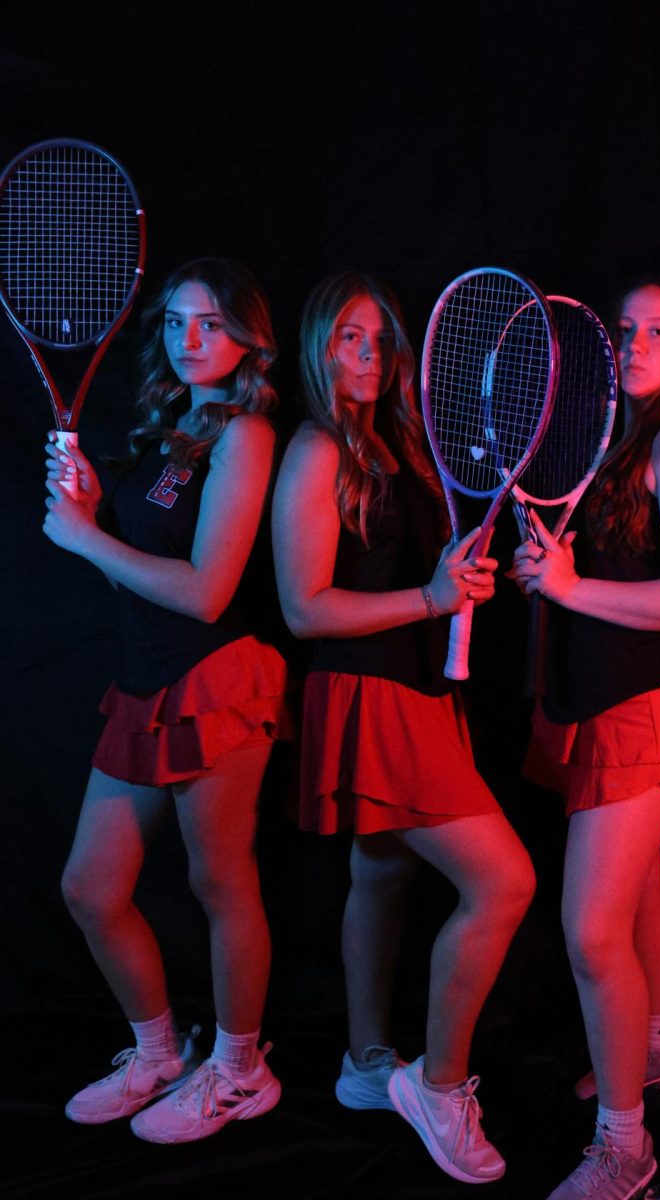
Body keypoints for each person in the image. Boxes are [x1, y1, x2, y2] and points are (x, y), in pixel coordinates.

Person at [272, 272, 535, 1185]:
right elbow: (302, 608)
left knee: (379, 872)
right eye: (350, 337)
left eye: (382, 339)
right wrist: (425, 597)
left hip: (422, 692)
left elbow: (408, 576)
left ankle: (363, 1064)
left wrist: (450, 586)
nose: (371, 356)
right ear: (317, 346)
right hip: (368, 694)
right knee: (504, 881)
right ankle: (440, 1081)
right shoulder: (315, 450)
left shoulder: (392, 445)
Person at [44, 259, 287, 1144]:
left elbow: (206, 593)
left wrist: (81, 540)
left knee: (219, 881)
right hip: (145, 683)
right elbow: (138, 583)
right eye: (178, 322)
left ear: (248, 340)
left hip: (216, 678)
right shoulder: (177, 428)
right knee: (90, 888)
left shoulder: (247, 433)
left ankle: (240, 1069)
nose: (190, 340)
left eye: (212, 325)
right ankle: (159, 1054)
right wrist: (95, 512)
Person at [512, 278, 660, 1199]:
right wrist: (544, 572)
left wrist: (567, 589)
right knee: (639, 894)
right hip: (588, 706)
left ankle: (625, 1152)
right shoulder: (605, 442)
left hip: (646, 708)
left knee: (590, 930)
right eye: (625, 329)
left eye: (659, 331)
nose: (636, 344)